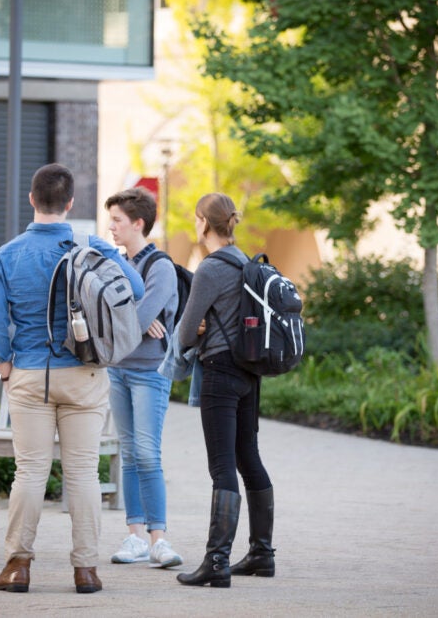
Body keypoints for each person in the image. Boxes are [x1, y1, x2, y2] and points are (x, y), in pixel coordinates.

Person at [0, 163, 144, 594]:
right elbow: (136, 291)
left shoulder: (6, 255)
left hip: (31, 373)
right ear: (70, 203)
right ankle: (86, 570)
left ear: (32, 200)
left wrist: (4, 365)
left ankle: (17, 566)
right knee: (83, 475)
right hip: (85, 372)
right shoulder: (91, 247)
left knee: (30, 472)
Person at [175, 193, 275, 589]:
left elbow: (185, 332)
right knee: (248, 457)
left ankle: (216, 561)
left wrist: (198, 328)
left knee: (221, 466)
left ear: (203, 223)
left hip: (219, 372)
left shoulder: (211, 268)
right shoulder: (247, 262)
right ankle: (262, 553)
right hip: (250, 373)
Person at [103, 188, 184, 569]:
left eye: (117, 220)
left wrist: (137, 317)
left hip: (149, 372)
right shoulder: (115, 263)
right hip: (118, 369)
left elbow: (132, 321)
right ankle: (135, 537)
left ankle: (160, 540)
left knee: (148, 454)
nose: (112, 227)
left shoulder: (161, 267)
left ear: (138, 223)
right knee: (130, 453)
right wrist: (136, 317)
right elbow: (109, 316)